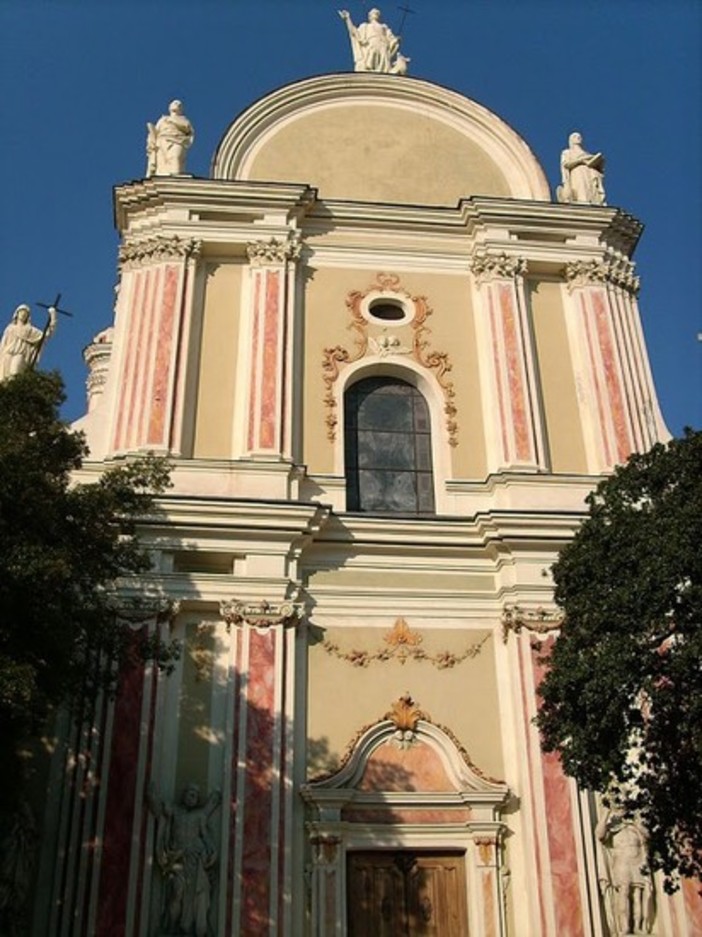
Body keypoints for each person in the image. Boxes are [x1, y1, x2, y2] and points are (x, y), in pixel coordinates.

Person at [147, 781, 221, 937]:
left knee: (195, 897)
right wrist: (151, 794)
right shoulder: (175, 811)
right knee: (177, 891)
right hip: (177, 859)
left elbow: (205, 836)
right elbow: (158, 809)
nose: (192, 797)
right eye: (190, 794)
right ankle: (171, 926)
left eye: (195, 795)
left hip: (194, 861)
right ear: (184, 795)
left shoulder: (200, 816)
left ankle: (186, 928)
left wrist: (211, 852)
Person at [596, 809, 653, 935]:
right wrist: (605, 813)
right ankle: (625, 927)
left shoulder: (635, 822)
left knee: (638, 894)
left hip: (637, 861)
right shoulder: (613, 823)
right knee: (624, 891)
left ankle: (638, 926)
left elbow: (648, 835)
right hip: (621, 861)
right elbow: (599, 835)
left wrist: (636, 824)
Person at [0, 304, 56, 382]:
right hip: (6, 355)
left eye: (25, 313)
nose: (23, 314)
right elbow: (2, 346)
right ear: (17, 314)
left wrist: (53, 317)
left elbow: (46, 335)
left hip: (19, 355)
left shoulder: (30, 330)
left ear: (28, 317)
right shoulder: (9, 329)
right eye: (21, 312)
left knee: (14, 376)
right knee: (3, 381)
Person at [338, 8, 401, 74]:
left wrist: (395, 40)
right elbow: (354, 32)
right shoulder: (365, 26)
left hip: (383, 45)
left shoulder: (384, 27)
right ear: (369, 16)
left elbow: (391, 38)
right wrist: (348, 19)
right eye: (373, 13)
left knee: (384, 62)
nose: (375, 14)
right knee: (370, 60)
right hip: (371, 44)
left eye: (377, 13)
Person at [146, 99, 194, 177]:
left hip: (178, 140)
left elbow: (188, 129)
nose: (177, 104)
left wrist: (172, 121)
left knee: (176, 156)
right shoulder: (162, 120)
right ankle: (166, 175)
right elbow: (156, 132)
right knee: (164, 161)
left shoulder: (183, 120)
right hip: (162, 141)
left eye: (179, 104)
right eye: (175, 103)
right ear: (170, 107)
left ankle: (177, 176)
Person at [556, 132, 606, 205]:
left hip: (590, 173)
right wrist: (581, 160)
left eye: (579, 136)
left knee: (591, 190)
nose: (578, 138)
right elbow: (566, 164)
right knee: (581, 191)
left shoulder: (587, 153)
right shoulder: (567, 152)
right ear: (571, 140)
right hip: (577, 173)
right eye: (575, 136)